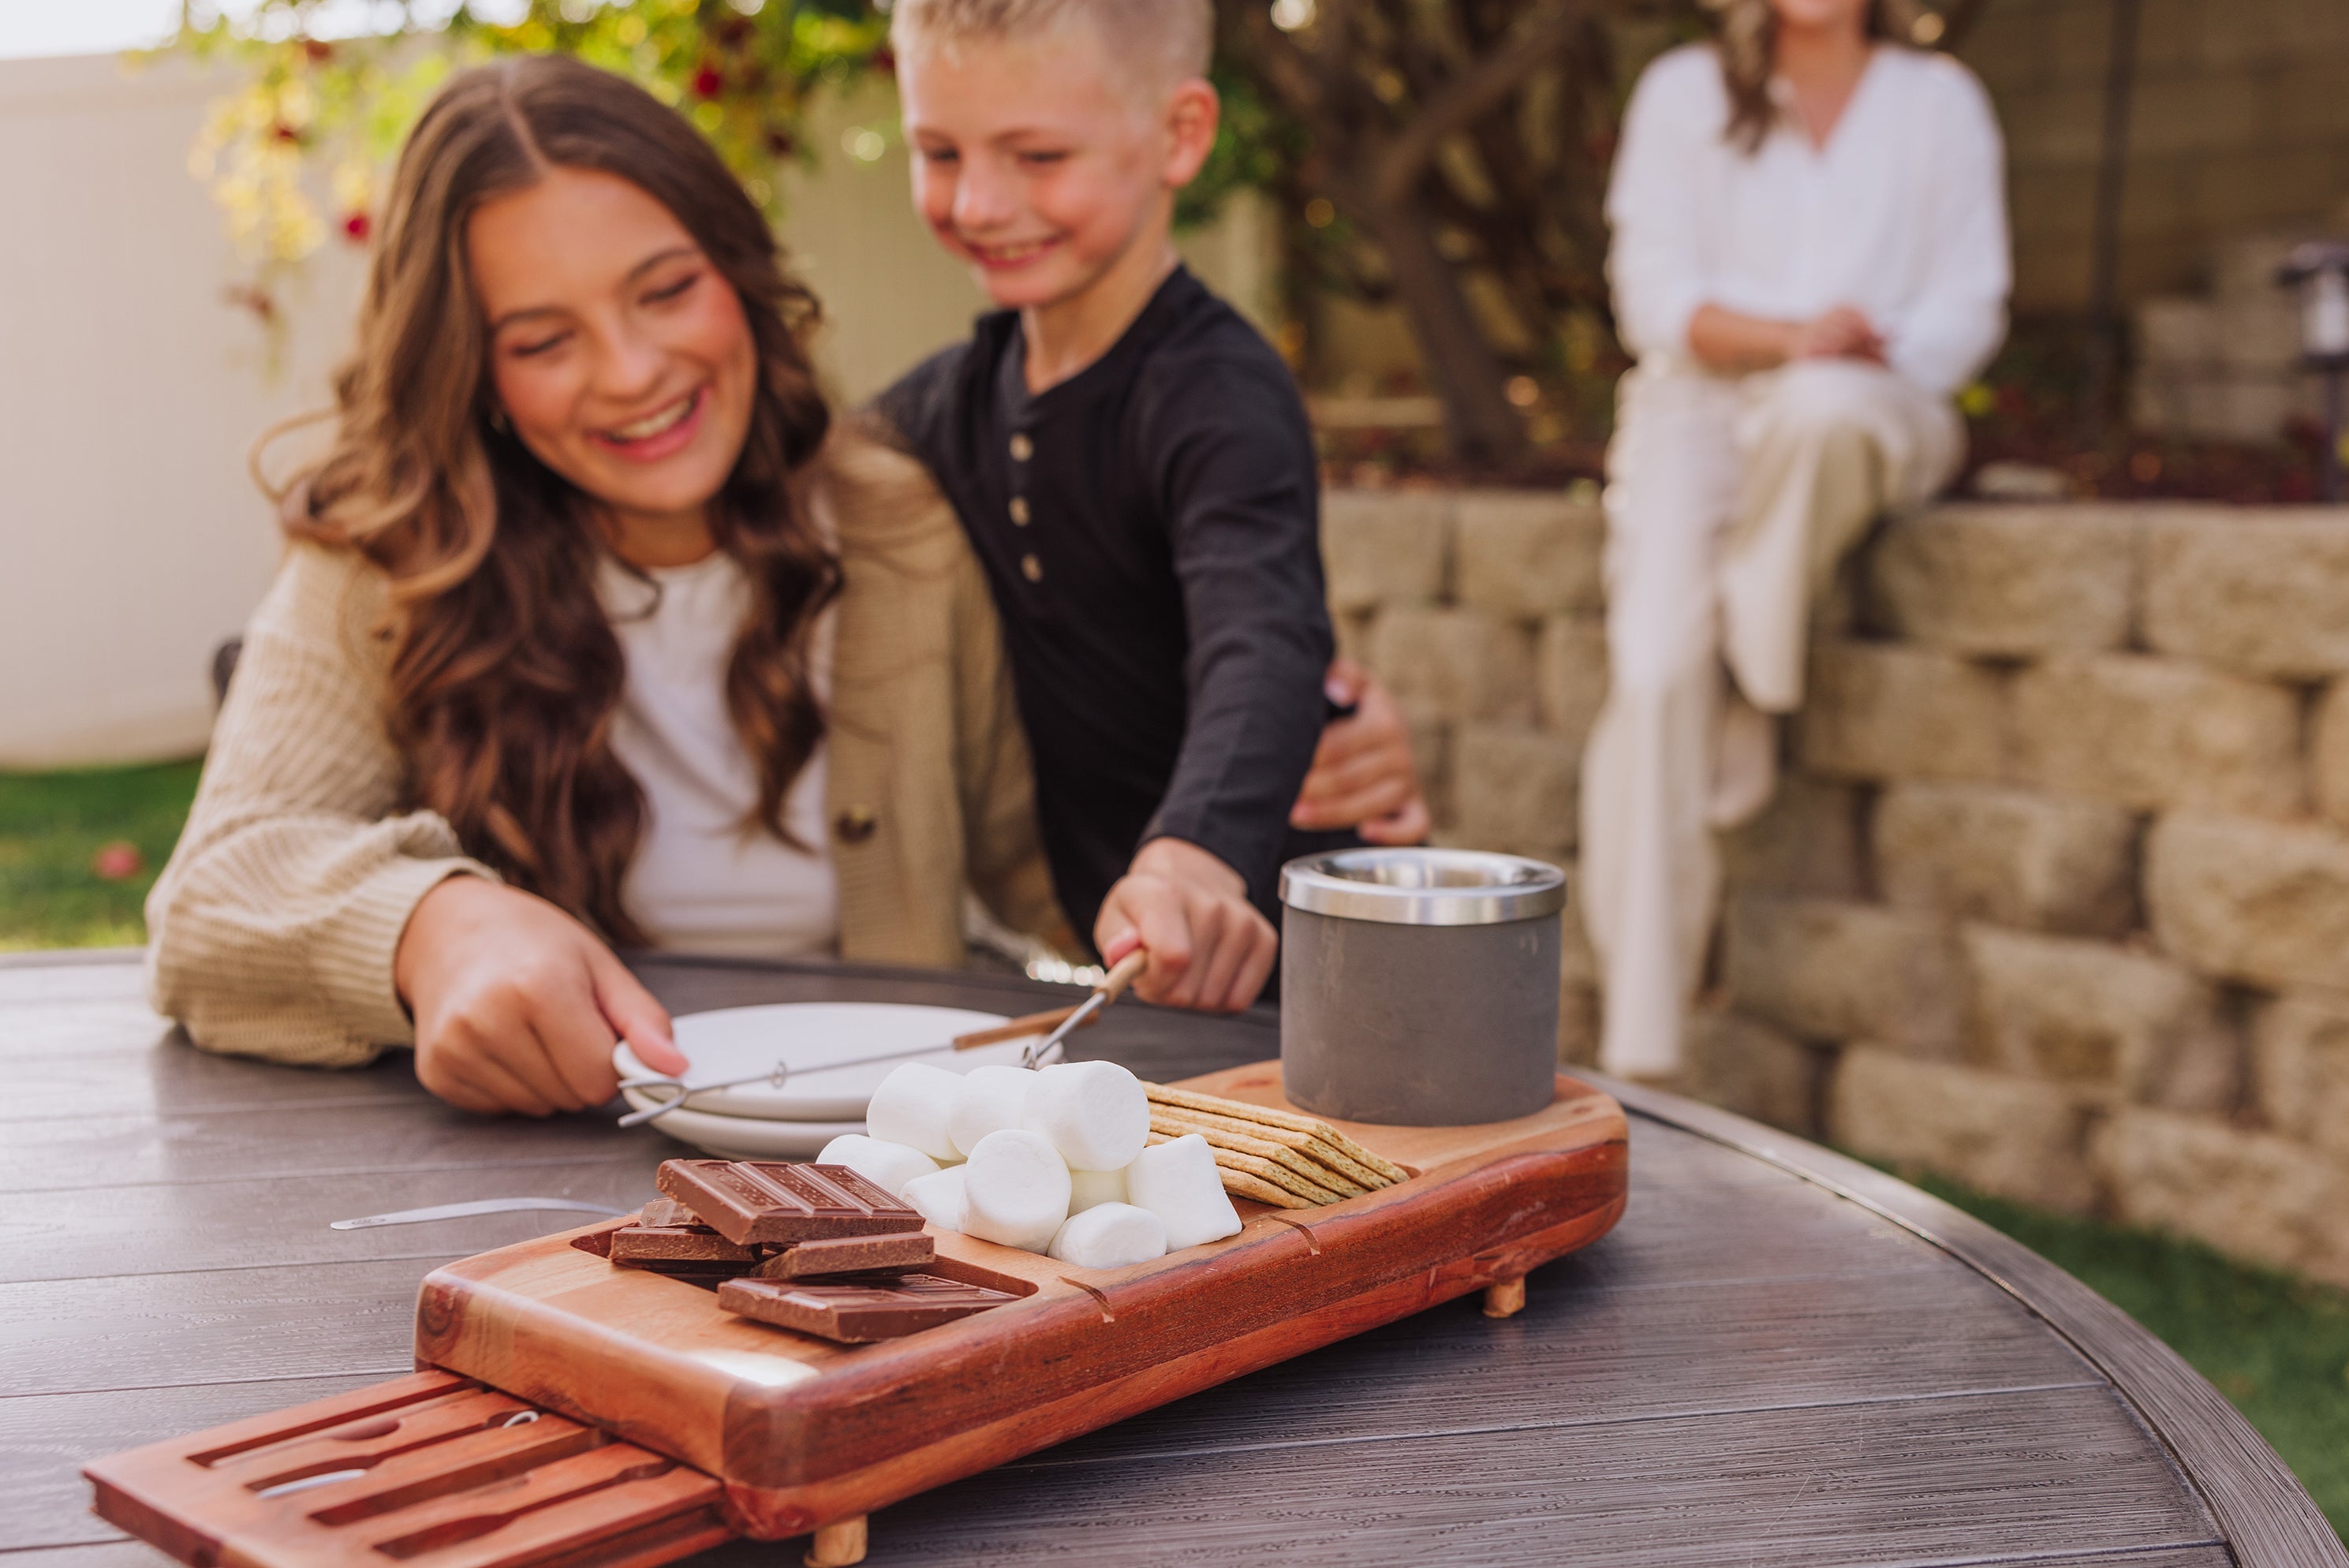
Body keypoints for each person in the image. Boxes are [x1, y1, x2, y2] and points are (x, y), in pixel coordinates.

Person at [145, 55, 1420, 1116]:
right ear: (471, 370)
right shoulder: (383, 560)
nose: (632, 370)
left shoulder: (905, 525)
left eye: (666, 290)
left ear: (738, 269)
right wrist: (433, 927)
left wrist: (1297, 781)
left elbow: (1064, 861)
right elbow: (209, 898)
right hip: (533, 1193)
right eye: (542, 340)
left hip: (905, 1183)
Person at [872, 0, 1406, 974]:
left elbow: (1262, 634)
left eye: (1038, 156)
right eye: (940, 153)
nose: (977, 203)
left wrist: (1191, 861)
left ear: (1179, 135)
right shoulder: (941, 408)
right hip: (1126, 973)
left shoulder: (1220, 393)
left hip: (1290, 970)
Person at [1579, 0, 2011, 1081]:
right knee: (1651, 676)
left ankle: (1751, 668)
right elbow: (1653, 300)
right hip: (1698, 411)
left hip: (1877, 406)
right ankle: (1641, 1044)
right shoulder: (1684, 93)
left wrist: (1848, 356)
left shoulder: (1940, 103)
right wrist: (1789, 336)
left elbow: (1971, 303)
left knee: (1824, 409)